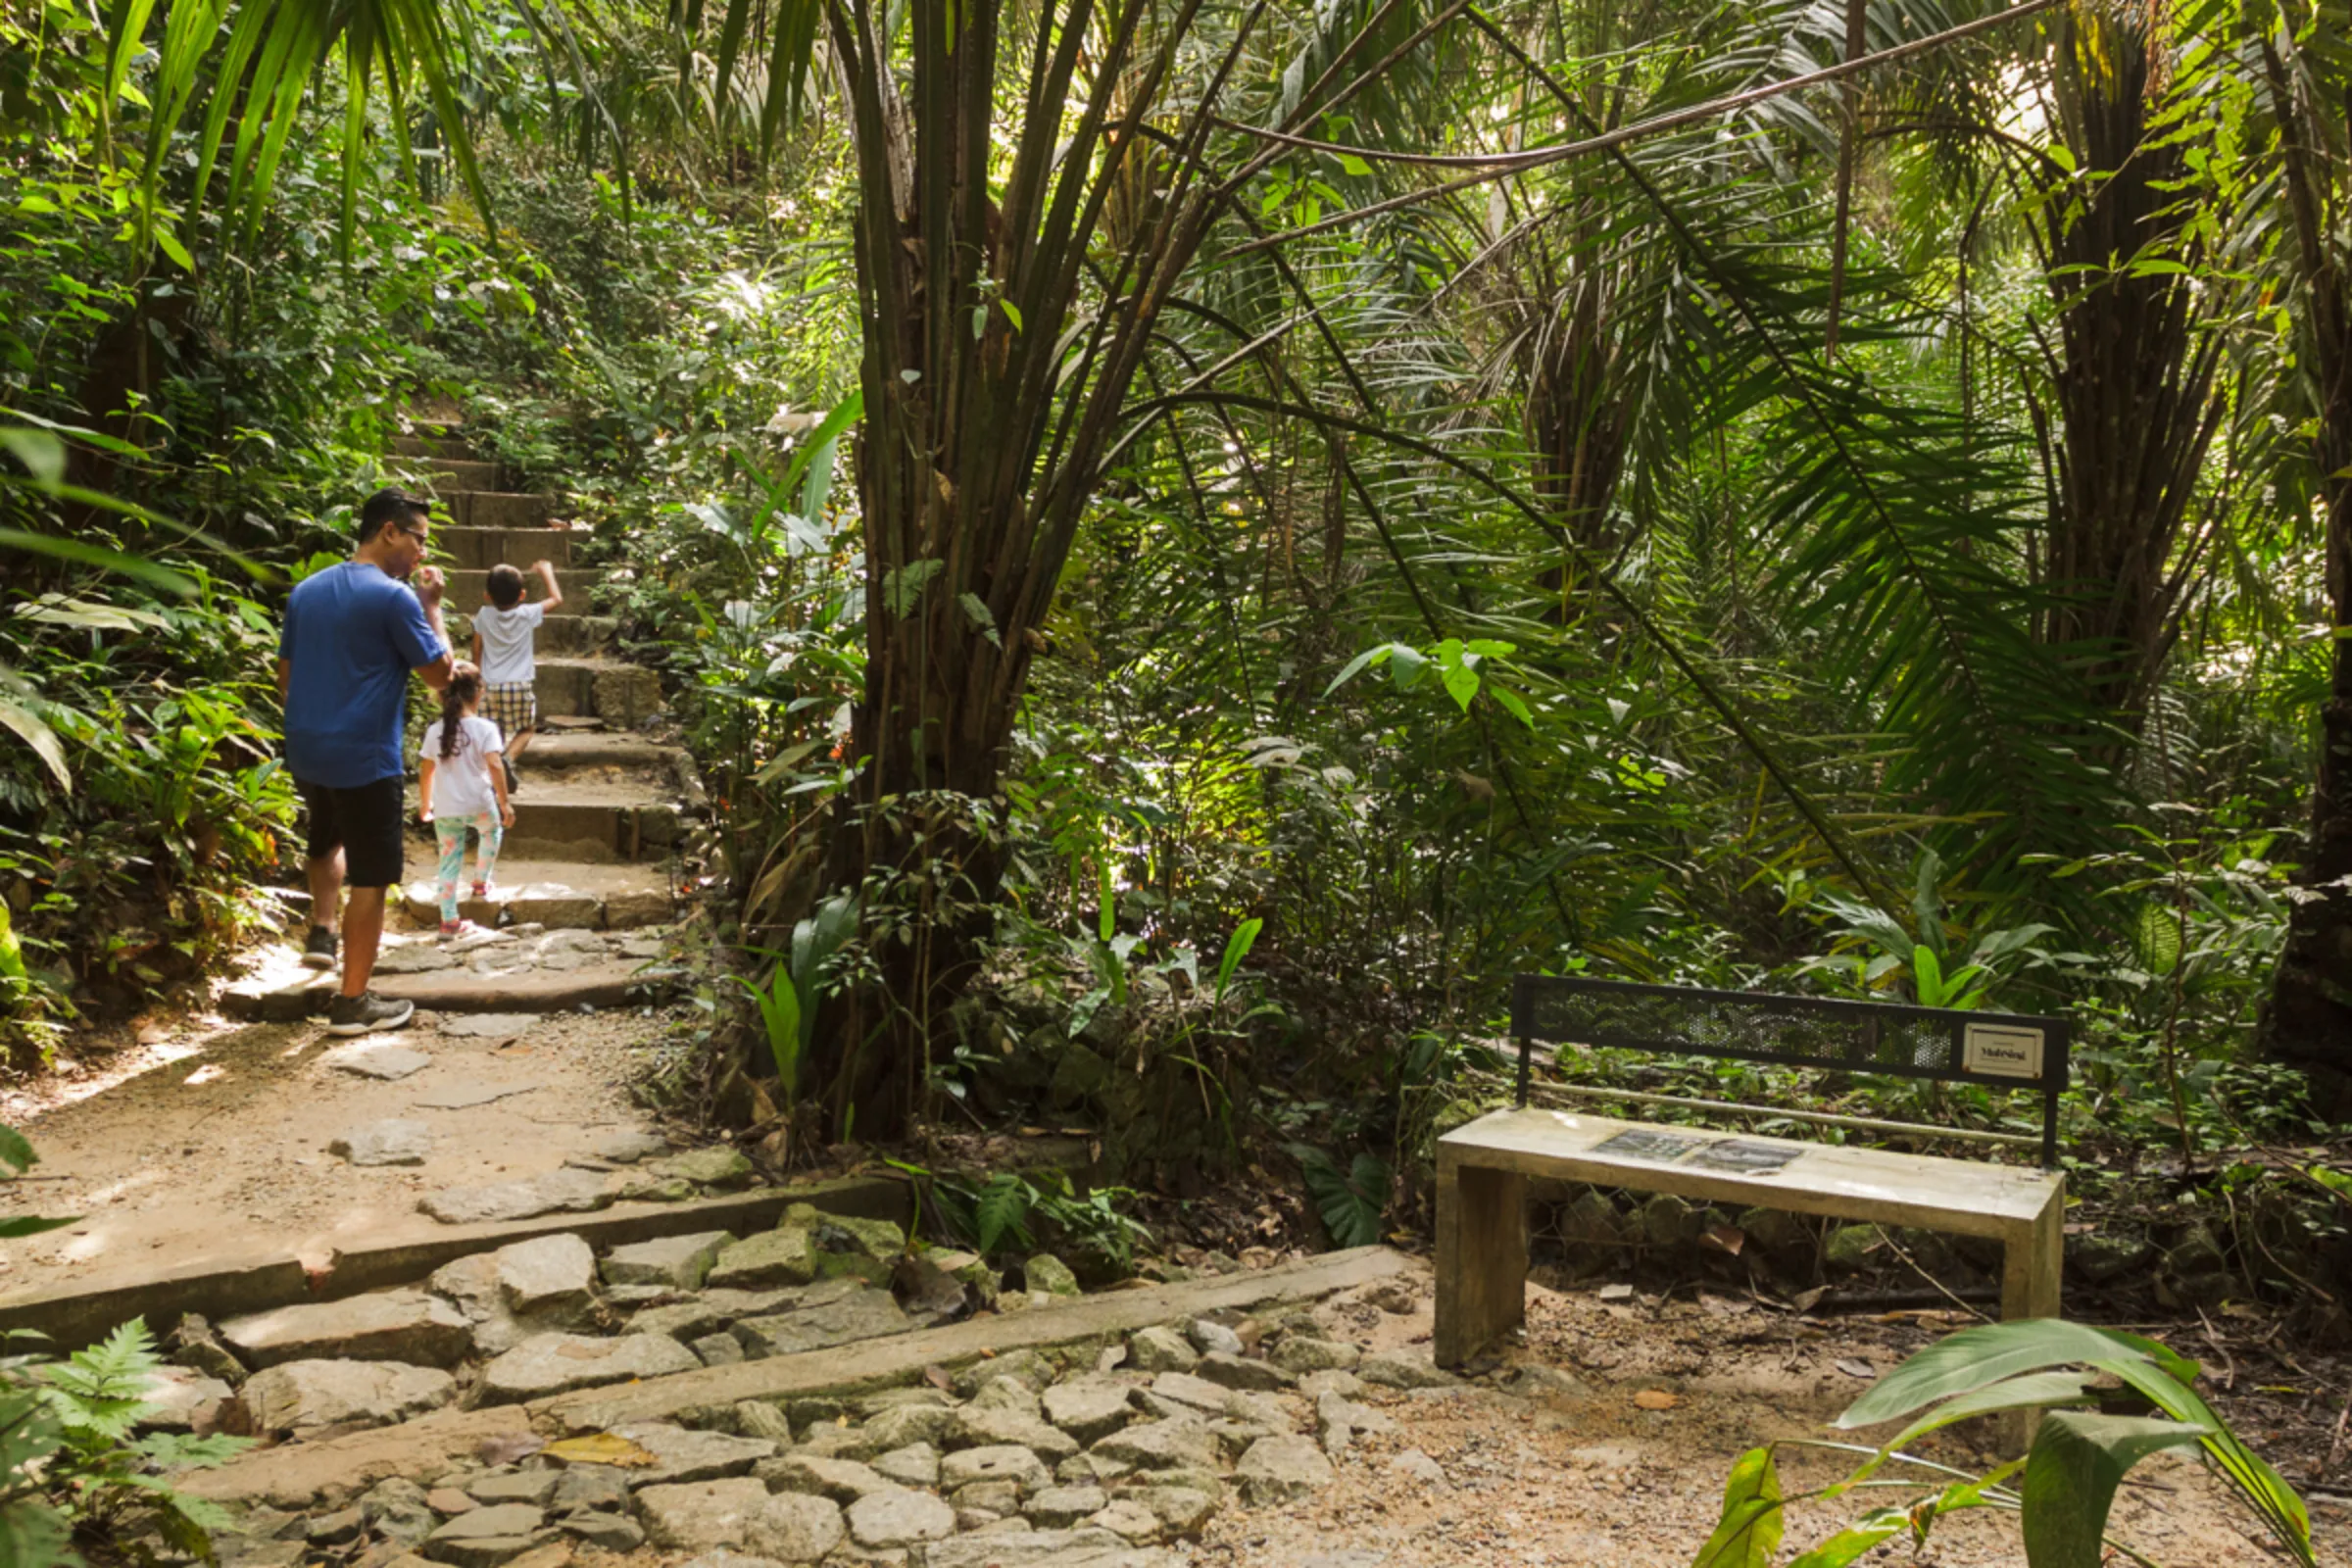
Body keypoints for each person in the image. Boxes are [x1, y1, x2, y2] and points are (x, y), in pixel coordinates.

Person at [277, 488, 454, 1035]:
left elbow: (284, 675)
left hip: (308, 751)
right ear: (389, 532)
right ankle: (352, 1002)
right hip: (364, 756)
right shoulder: (394, 598)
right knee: (373, 878)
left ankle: (321, 933)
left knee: (326, 837)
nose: (422, 552)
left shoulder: (306, 591)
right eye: (419, 538)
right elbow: (441, 676)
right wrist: (433, 608)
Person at [417, 662, 514, 937]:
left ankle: (449, 921)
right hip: (480, 804)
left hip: (447, 808)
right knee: (491, 832)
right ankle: (481, 883)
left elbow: (426, 771)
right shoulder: (485, 728)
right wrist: (504, 803)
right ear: (478, 693)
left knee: (448, 862)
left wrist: (425, 804)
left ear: (441, 696)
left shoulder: (435, 730)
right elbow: (495, 766)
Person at [472, 560, 562, 794]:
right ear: (522, 595)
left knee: (493, 731)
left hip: (489, 685)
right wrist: (547, 572)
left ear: (486, 595)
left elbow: (477, 647)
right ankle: (508, 759)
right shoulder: (527, 613)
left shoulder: (483, 614)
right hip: (518, 685)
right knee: (527, 729)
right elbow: (556, 600)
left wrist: (476, 674)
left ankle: (493, 772)